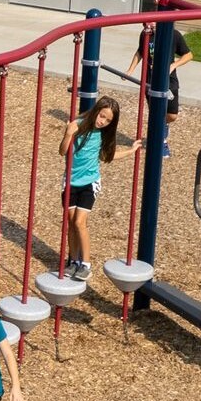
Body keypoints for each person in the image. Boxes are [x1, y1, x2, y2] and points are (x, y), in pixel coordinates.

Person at [57, 95, 141, 282]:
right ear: (96, 111)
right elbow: (62, 151)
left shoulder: (103, 134)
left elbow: (107, 157)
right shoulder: (78, 125)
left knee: (79, 222)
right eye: (102, 116)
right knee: (71, 223)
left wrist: (131, 150)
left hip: (90, 182)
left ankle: (85, 264)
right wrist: (69, 133)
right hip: (70, 182)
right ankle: (73, 260)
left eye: (108, 120)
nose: (102, 122)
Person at [126, 25, 193, 158]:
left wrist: (174, 65)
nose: (147, 27)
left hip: (170, 81)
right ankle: (161, 141)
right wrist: (129, 71)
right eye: (144, 25)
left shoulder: (173, 34)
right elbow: (140, 52)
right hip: (151, 81)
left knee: (172, 115)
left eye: (149, 24)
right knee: (157, 113)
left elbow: (189, 55)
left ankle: (163, 128)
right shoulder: (145, 34)